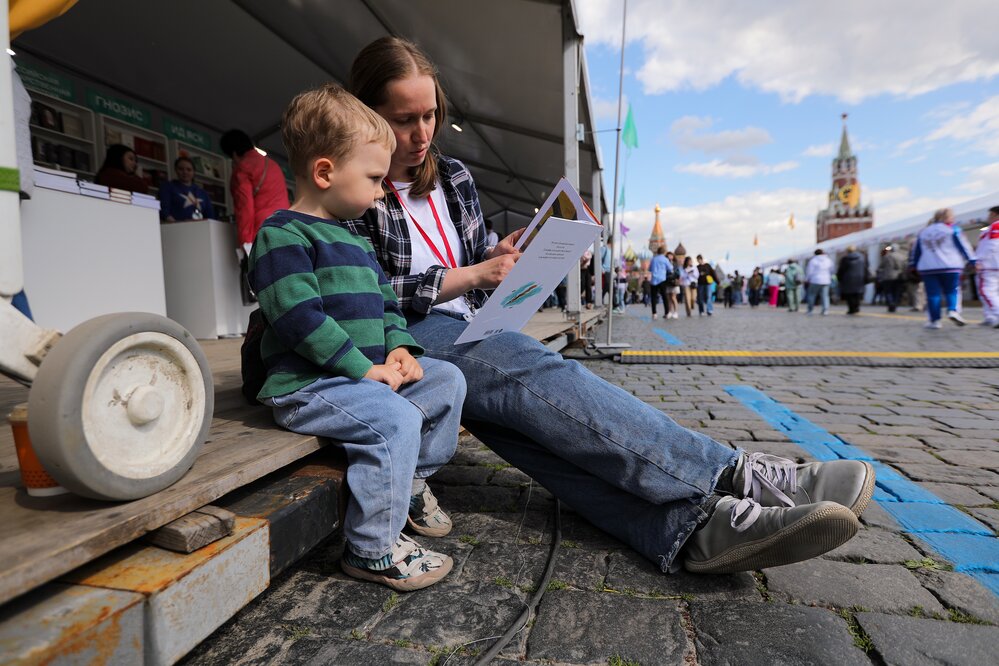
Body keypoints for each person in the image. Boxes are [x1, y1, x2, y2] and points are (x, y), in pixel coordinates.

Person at [344, 36, 873, 575]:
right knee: (529, 367)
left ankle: (692, 531)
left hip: (472, 319)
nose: (422, 133)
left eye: (431, 114)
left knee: (531, 426)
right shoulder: (352, 185)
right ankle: (733, 474)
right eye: (403, 120)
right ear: (367, 116)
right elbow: (366, 292)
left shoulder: (453, 177)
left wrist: (500, 257)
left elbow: (471, 255)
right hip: (402, 336)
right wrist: (473, 274)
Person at [249, 84, 466, 591]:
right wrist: (362, 369)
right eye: (373, 178)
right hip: (310, 385)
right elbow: (299, 320)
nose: (381, 191)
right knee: (395, 417)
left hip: (365, 376)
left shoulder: (354, 240)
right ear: (325, 172)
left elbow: (388, 305)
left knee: (447, 379)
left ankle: (411, 479)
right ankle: (371, 548)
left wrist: (398, 349)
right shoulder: (282, 236)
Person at [220, 129, 291, 256]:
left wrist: (246, 242)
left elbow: (244, 208)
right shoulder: (273, 164)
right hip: (286, 227)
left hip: (262, 232)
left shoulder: (242, 169)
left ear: (234, 154)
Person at [910, 208, 975, 329]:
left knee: (933, 295)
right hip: (950, 265)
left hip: (928, 267)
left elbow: (916, 251)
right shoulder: (953, 229)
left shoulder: (923, 231)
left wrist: (913, 265)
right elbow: (964, 246)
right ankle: (952, 310)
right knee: (952, 290)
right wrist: (972, 260)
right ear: (948, 217)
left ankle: (935, 321)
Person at [158, 156, 215, 222]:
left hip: (200, 229)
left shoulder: (202, 193)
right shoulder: (167, 187)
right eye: (181, 169)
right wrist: (176, 224)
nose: (185, 172)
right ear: (176, 170)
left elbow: (211, 217)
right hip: (176, 228)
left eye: (189, 169)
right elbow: (164, 211)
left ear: (194, 172)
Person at [975, 206, 999, 327]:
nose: (988, 218)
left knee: (986, 291)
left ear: (995, 215)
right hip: (993, 264)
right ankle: (990, 316)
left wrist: (980, 260)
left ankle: (996, 314)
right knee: (991, 292)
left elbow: (993, 245)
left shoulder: (996, 226)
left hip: (990, 264)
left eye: (990, 215)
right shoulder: (990, 228)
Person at [837, 246, 869, 315]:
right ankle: (856, 307)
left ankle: (851, 309)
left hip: (848, 278)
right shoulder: (862, 258)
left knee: (849, 294)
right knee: (857, 293)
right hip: (859, 278)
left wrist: (839, 278)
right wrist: (866, 277)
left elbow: (841, 270)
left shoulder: (845, 259)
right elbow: (865, 268)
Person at [876, 245, 905, 313]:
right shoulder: (902, 256)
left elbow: (880, 266)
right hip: (898, 276)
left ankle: (891, 303)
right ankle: (895, 304)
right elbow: (904, 266)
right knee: (896, 291)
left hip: (887, 276)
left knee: (888, 291)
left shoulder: (887, 256)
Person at [805, 249, 835, 315]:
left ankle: (810, 310)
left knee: (812, 295)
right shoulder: (828, 260)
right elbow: (832, 270)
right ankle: (825, 310)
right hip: (826, 280)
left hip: (815, 280)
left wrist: (807, 279)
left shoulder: (813, 260)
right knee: (825, 296)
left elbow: (809, 271)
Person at [649, 245, 670, 320]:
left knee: (653, 297)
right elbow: (670, 268)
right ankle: (667, 313)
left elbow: (650, 269)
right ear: (664, 252)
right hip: (662, 279)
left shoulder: (653, 259)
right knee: (665, 297)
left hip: (654, 280)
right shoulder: (665, 259)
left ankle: (654, 313)